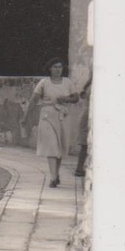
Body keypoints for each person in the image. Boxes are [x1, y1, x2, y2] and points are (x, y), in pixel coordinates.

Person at [26, 58, 82, 187]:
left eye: (60, 67)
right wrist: (25, 117)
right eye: (55, 67)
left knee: (60, 146)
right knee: (51, 146)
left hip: (63, 116)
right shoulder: (44, 83)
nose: (58, 69)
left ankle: (56, 174)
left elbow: (76, 97)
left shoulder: (67, 82)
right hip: (47, 116)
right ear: (50, 68)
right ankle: (53, 177)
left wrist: (66, 98)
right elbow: (33, 100)